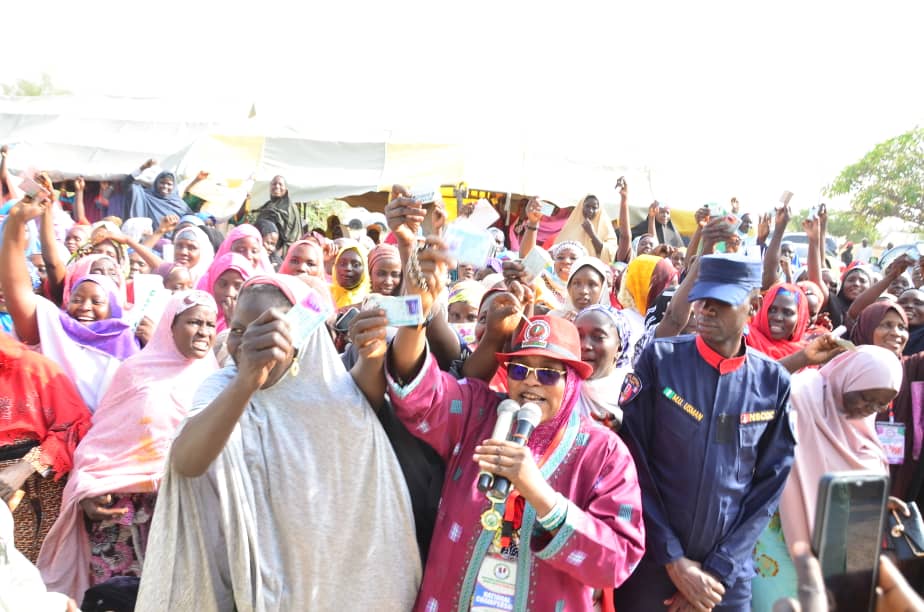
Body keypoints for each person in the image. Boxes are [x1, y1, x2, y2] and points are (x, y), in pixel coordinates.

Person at [383, 236, 645, 609]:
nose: (532, 381)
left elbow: (617, 560)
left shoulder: (604, 453)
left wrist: (541, 496)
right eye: (521, 369)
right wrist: (416, 317)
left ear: (572, 381)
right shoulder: (478, 411)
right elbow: (420, 398)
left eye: (550, 373)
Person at [134, 274, 420, 610]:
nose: (249, 341)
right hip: (253, 591)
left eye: (267, 328)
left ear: (302, 337)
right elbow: (186, 463)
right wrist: (246, 382)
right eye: (238, 330)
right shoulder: (223, 385)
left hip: (331, 591)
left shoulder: (337, 396)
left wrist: (374, 356)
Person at [615, 254, 796, 611]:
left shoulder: (773, 382)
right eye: (702, 299)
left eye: (722, 302)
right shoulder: (660, 360)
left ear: (754, 304)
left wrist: (718, 569)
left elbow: (769, 485)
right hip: (651, 561)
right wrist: (673, 561)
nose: (706, 310)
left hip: (725, 578)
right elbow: (633, 465)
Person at [37, 290, 219, 601]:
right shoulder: (136, 371)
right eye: (194, 322)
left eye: (210, 324)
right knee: (116, 599)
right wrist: (90, 488)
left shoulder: (215, 380)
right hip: (122, 511)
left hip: (183, 510)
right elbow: (103, 437)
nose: (203, 331)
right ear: (169, 327)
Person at [750, 345, 903, 607]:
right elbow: (749, 393)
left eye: (881, 403)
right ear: (848, 377)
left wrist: (876, 501)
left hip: (835, 557)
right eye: (866, 397)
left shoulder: (863, 433)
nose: (870, 408)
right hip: (778, 542)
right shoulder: (799, 395)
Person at [1, 198, 139, 411]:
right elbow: (18, 293)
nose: (84, 307)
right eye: (77, 299)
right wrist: (15, 224)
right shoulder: (55, 327)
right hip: (50, 436)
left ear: (114, 308)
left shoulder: (127, 342)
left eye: (97, 301)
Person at [0, 333, 91, 563]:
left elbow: (74, 428)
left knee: (30, 585)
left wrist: (24, 467)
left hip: (34, 490)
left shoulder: (33, 367)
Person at [850, 302, 924, 508]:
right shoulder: (845, 369)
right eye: (886, 325)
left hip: (900, 476)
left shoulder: (913, 366)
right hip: (850, 475)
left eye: (902, 327)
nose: (896, 333)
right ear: (867, 327)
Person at [574, 304, 632, 429]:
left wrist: (624, 431)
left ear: (619, 348)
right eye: (578, 336)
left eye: (598, 337)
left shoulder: (634, 394)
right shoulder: (559, 383)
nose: (585, 345)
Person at [745, 283, 811, 360]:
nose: (778, 318)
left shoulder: (808, 353)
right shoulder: (744, 339)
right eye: (772, 310)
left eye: (788, 312)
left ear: (800, 319)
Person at [553, 194, 621, 262]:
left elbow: (609, 254)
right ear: (581, 207)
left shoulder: (606, 229)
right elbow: (557, 250)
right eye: (587, 206)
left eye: (594, 208)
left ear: (599, 209)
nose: (590, 210)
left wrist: (592, 234)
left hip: (592, 269)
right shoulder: (571, 225)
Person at [125, 162, 191, 228]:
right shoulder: (145, 196)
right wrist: (142, 168)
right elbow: (126, 184)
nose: (165, 186)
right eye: (162, 182)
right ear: (156, 183)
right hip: (150, 237)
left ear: (174, 186)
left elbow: (190, 218)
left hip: (177, 237)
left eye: (169, 184)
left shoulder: (179, 203)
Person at [255, 175, 302, 255]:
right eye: (274, 184)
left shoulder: (290, 208)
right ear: (270, 187)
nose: (277, 186)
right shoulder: (267, 206)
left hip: (280, 253)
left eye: (280, 184)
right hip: (261, 250)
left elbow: (293, 237)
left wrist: (278, 255)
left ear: (286, 188)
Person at [330, 239, 369, 309]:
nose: (348, 268)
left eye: (356, 264)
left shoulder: (368, 302)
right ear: (335, 266)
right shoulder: (324, 295)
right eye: (342, 263)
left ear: (365, 269)